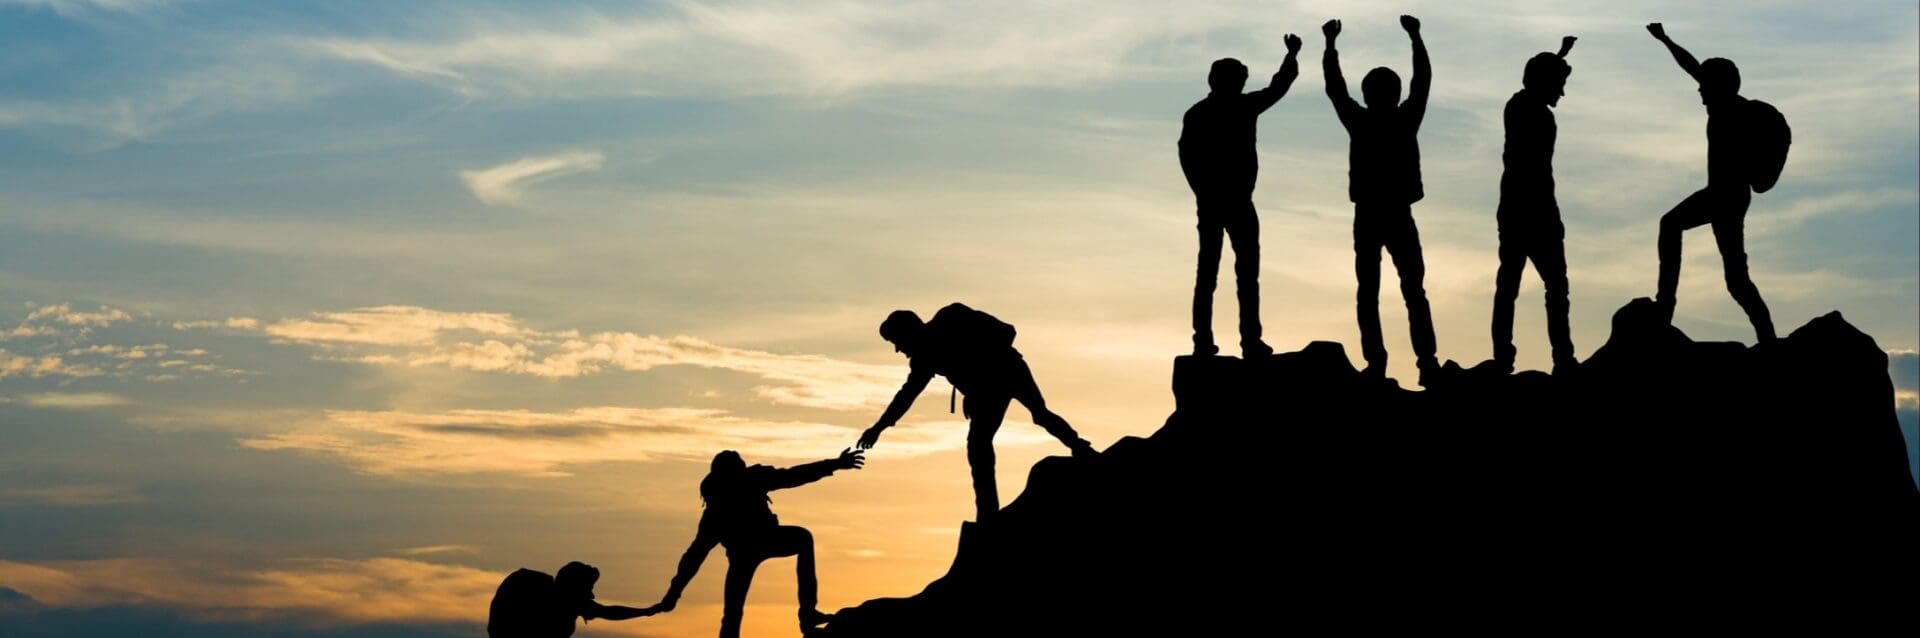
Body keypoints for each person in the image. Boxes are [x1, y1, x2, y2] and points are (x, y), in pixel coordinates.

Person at [857, 303, 1096, 523]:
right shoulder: (924, 359)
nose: (898, 350)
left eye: (897, 341)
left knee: (1039, 415)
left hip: (1009, 372)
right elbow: (906, 396)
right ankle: (987, 512)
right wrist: (878, 428)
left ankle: (1080, 447)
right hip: (985, 392)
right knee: (978, 445)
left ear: (909, 330)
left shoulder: (951, 317)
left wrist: (979, 381)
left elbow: (1007, 331)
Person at [1323, 15, 1442, 386]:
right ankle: (1423, 363)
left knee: (1373, 292)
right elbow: (1422, 81)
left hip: (1374, 213)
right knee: (1410, 291)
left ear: (1370, 94)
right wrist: (1416, 38)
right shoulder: (1403, 119)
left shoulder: (1362, 121)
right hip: (1391, 213)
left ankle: (1383, 363)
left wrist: (1330, 45)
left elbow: (1336, 89)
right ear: (1392, 93)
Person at [1646, 22, 1778, 342]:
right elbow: (1691, 66)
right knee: (1735, 277)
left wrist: (1666, 40)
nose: (1699, 90)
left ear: (1718, 86)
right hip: (1722, 193)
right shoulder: (1727, 106)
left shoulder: (1730, 109)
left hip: (1727, 195)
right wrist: (1666, 40)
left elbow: (1692, 68)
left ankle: (1665, 308)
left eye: (1705, 85)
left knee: (1674, 227)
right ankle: (1767, 336)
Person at [1178, 33, 1305, 358]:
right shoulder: (1220, 111)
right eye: (1236, 80)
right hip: (1223, 201)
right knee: (1222, 274)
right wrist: (1203, 190)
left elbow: (1278, 87)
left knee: (1233, 274)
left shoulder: (1215, 110)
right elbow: (1187, 155)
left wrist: (1291, 56)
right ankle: (1214, 341)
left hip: (1229, 202)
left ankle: (1238, 340)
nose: (1238, 85)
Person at [654, 448, 865, 638]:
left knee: (733, 613)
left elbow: (793, 476)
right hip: (747, 552)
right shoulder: (719, 509)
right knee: (732, 613)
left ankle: (808, 613)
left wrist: (835, 464)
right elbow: (694, 556)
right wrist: (672, 595)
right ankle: (807, 614)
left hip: (759, 543)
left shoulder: (746, 484)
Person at [1491, 36, 1580, 374]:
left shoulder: (1520, 106)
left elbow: (1538, 78)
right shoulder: (1530, 111)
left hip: (1521, 208)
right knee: (1548, 286)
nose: (1562, 93)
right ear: (1546, 82)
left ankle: (1508, 358)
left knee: (1516, 285)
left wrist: (1561, 54)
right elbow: (1538, 172)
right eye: (1559, 85)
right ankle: (1560, 358)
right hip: (1532, 210)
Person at [486, 561, 654, 638]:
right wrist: (648, 611)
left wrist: (648, 611)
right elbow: (607, 612)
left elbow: (608, 612)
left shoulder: (569, 599)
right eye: (587, 590)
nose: (590, 598)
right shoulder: (528, 585)